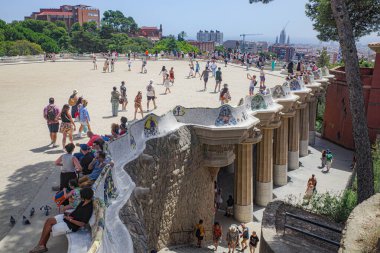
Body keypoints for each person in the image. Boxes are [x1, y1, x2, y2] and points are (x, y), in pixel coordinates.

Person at [29, 188, 94, 253]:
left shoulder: (88, 208)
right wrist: (68, 214)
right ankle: (41, 246)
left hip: (72, 225)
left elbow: (82, 224)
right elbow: (77, 211)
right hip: (69, 218)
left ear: (85, 197)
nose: (80, 196)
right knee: (49, 221)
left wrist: (70, 219)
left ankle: (41, 246)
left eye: (81, 195)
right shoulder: (83, 202)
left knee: (49, 227)